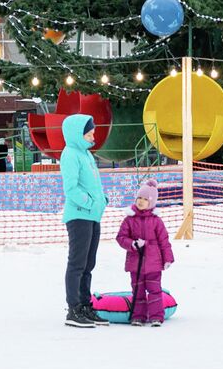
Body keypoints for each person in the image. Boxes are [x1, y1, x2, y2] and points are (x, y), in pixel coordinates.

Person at [60, 114, 107, 329]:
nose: (93, 134)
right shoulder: (70, 154)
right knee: (77, 264)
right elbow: (71, 187)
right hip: (79, 215)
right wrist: (89, 202)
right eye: (89, 131)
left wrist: (101, 200)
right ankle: (74, 309)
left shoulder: (86, 154)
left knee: (89, 264)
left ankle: (85, 305)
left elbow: (92, 184)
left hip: (92, 216)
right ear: (78, 132)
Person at [116, 180, 174, 327]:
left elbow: (164, 241)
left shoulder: (156, 221)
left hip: (154, 264)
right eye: (139, 198)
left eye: (145, 199)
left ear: (152, 202)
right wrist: (132, 244)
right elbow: (121, 237)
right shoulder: (129, 220)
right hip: (136, 263)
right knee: (138, 291)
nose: (141, 201)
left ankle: (156, 317)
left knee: (155, 291)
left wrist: (168, 258)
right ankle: (138, 316)